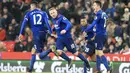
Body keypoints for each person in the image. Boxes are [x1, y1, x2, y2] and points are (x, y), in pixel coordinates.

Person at [18, 1, 52, 73]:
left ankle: (50, 50)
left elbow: (23, 24)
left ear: (33, 6)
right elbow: (47, 23)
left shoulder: (29, 13)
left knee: (39, 55)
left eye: (31, 6)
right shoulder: (43, 13)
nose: (30, 7)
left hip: (36, 34)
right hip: (43, 34)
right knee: (33, 51)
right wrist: (51, 32)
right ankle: (30, 69)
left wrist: (21, 33)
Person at [85, 1, 110, 73]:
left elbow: (93, 24)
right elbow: (104, 22)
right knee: (97, 52)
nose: (93, 6)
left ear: (98, 6)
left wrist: (86, 30)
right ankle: (98, 69)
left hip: (99, 35)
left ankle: (108, 68)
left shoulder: (99, 13)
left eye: (94, 5)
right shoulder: (104, 13)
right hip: (103, 34)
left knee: (99, 52)